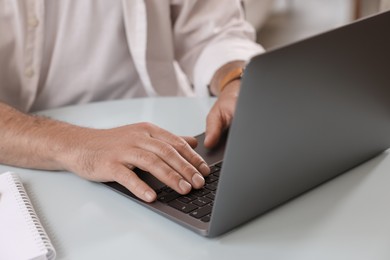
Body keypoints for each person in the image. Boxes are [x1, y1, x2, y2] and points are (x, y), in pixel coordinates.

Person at [0, 0, 264, 202]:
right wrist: (81, 145)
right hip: (24, 156)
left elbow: (214, 30)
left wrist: (234, 79)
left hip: (166, 133)